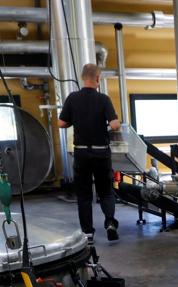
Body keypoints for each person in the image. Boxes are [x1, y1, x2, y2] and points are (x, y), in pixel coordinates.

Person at [57, 63, 122, 241]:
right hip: (101, 153)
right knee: (106, 191)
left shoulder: (72, 98)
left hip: (81, 154)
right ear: (98, 79)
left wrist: (75, 121)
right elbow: (115, 124)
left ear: (82, 77)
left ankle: (87, 233)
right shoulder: (103, 99)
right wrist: (108, 125)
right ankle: (109, 223)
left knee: (84, 195)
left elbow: (61, 123)